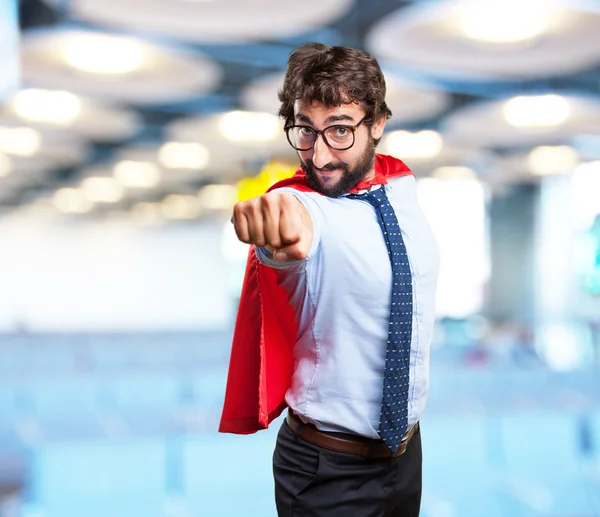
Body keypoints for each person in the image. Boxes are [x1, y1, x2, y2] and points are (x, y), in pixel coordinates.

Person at [220, 42, 440, 517]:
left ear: (377, 123)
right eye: (304, 130)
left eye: (339, 130)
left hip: (405, 457)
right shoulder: (308, 206)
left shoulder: (401, 188)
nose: (318, 156)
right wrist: (271, 228)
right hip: (326, 470)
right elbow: (291, 227)